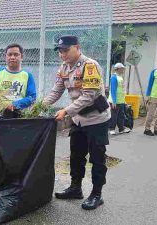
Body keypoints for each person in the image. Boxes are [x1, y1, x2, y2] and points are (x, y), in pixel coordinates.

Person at [43, 35, 111, 210]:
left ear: (77, 47)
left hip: (96, 119)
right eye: (60, 51)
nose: (62, 54)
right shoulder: (64, 68)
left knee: (97, 158)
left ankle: (97, 194)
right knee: (76, 155)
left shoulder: (90, 66)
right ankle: (75, 188)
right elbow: (56, 91)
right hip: (78, 119)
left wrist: (65, 111)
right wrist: (39, 105)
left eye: (65, 50)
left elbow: (89, 96)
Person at [0, 43, 37, 198]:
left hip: (18, 117)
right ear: (5, 56)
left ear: (21, 56)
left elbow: (32, 97)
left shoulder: (27, 75)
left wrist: (15, 104)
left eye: (16, 54)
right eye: (9, 54)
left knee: (17, 150)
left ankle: (16, 184)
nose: (12, 57)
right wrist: (1, 105)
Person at [108, 63, 131, 135]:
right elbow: (113, 90)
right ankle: (112, 129)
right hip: (114, 101)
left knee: (121, 115)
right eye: (122, 68)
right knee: (114, 115)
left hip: (120, 100)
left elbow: (121, 90)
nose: (123, 70)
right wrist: (114, 101)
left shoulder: (120, 77)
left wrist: (124, 100)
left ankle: (121, 128)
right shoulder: (114, 77)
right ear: (118, 69)